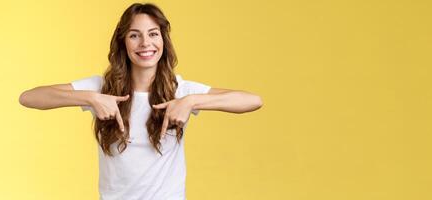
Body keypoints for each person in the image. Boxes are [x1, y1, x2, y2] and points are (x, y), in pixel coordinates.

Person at [19, 3, 263, 200]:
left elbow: (252, 100)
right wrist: (90, 98)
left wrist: (191, 101)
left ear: (163, 41)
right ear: (123, 42)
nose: (145, 43)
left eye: (153, 34)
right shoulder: (101, 89)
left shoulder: (180, 90)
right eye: (135, 35)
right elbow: (29, 97)